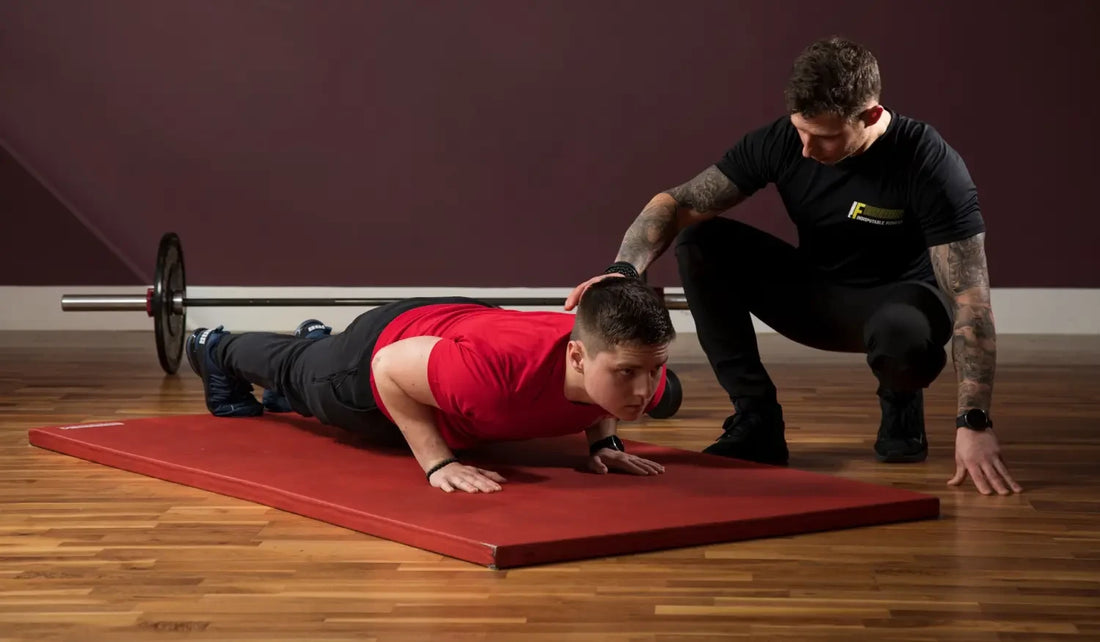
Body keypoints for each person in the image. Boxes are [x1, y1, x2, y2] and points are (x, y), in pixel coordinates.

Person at [566, 36, 1021, 496]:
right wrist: (624, 269)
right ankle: (757, 418)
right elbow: (676, 203)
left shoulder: (928, 162)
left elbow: (970, 300)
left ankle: (900, 399)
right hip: (820, 294)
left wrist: (974, 421)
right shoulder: (784, 141)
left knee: (900, 329)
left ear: (871, 116)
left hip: (904, 306)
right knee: (703, 240)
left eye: (822, 137)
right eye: (800, 130)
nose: (805, 149)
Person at [184, 278, 676, 494]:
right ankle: (215, 347)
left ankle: (316, 346)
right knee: (302, 372)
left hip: (458, 329)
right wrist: (439, 462)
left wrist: (605, 440)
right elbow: (391, 367)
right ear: (577, 355)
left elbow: (613, 375)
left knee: (307, 371)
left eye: (653, 370)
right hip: (384, 352)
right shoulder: (494, 377)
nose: (644, 389)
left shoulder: (632, 370)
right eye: (627, 374)